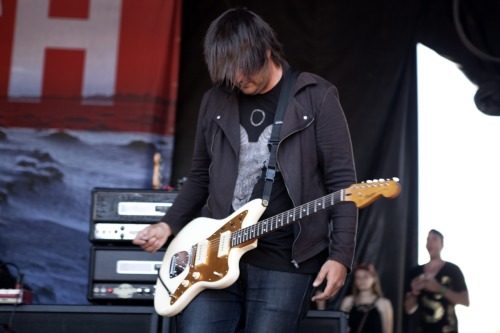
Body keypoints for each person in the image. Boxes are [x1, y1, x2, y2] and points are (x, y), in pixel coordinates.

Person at [133, 8, 358, 333]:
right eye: (229, 72)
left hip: (285, 259)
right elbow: (200, 175)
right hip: (214, 254)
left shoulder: (315, 97)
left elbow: (343, 184)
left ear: (266, 50)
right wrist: (168, 224)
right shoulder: (216, 101)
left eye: (245, 68)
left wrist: (341, 256)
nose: (239, 78)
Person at [404, 229, 469, 333]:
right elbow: (408, 309)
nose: (430, 243)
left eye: (434, 239)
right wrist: (414, 292)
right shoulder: (416, 272)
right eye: (427, 239)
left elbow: (465, 300)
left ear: (442, 244)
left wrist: (438, 288)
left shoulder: (452, 270)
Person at [340, 263, 393, 333]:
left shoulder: (384, 304)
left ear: (374, 278)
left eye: (365, 277)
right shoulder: (348, 301)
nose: (361, 280)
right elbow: (340, 327)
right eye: (358, 277)